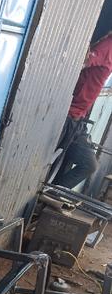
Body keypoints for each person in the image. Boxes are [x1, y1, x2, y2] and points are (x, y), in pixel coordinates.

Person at [54, 30, 112, 189]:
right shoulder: (108, 46)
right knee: (47, 160)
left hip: (78, 120)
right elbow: (78, 63)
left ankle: (53, 191)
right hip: (68, 116)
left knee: (89, 164)